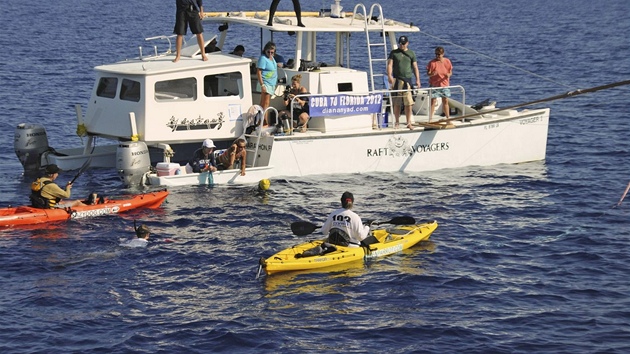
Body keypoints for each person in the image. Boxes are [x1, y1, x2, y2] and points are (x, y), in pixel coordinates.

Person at [386, 35, 421, 130]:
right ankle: (397, 121)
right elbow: (390, 64)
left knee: (408, 103)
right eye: (400, 44)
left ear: (407, 43)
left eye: (403, 44)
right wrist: (389, 75)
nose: (402, 45)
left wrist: (418, 79)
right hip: (397, 80)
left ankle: (408, 122)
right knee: (397, 102)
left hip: (407, 81)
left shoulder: (411, 53)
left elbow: (415, 67)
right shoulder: (394, 53)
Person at [426, 46, 453, 121]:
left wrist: (449, 75)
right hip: (435, 84)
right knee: (433, 101)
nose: (437, 56)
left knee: (445, 100)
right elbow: (428, 73)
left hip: (444, 84)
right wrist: (432, 74)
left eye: (439, 54)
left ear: (443, 54)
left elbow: (450, 71)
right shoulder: (432, 63)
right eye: (436, 54)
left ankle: (448, 117)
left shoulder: (447, 61)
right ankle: (430, 118)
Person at [257, 41, 278, 125]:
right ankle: (264, 122)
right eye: (268, 52)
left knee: (265, 103)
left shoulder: (272, 58)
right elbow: (258, 72)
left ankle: (261, 121)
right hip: (266, 83)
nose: (270, 53)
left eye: (272, 52)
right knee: (265, 104)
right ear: (265, 51)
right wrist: (262, 85)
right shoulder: (263, 58)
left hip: (271, 83)